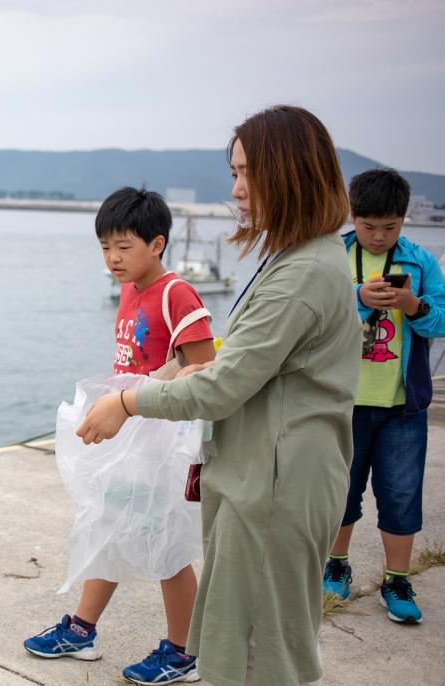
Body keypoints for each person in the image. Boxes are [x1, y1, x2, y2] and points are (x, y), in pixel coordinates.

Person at [76, 105, 362, 686]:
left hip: (275, 484)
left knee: (254, 650)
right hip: (267, 475)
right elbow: (247, 364)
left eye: (246, 172)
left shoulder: (303, 272)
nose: (234, 189)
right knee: (253, 635)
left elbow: (226, 383)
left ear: (289, 173)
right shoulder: (300, 259)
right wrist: (173, 377)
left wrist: (127, 404)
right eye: (233, 172)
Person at [23, 187, 216, 685]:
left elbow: (207, 367)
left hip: (160, 439)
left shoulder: (176, 293)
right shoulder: (130, 289)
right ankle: (82, 630)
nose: (113, 257)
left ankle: (182, 651)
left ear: (157, 243)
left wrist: (143, 396)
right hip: (128, 433)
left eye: (124, 246)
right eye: (105, 246)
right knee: (107, 524)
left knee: (168, 546)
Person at [321, 168, 445, 624]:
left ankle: (397, 578)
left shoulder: (419, 262)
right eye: (369, 226)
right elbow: (316, 312)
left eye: (389, 227)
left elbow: (443, 321)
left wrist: (413, 306)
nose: (377, 236)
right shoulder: (334, 255)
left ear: (403, 220)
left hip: (402, 404)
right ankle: (336, 565)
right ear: (353, 216)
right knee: (340, 489)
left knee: (401, 493)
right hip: (342, 400)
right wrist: (358, 296)